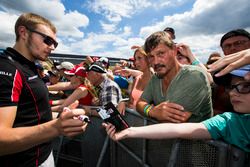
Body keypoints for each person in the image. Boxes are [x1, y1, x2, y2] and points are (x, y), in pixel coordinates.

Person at [0, 13, 88, 167]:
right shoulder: (7, 68)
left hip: (42, 154)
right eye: (47, 40)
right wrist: (56, 127)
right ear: (23, 33)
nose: (52, 47)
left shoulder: (30, 66)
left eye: (55, 43)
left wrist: (62, 118)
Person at [104, 65, 250, 153]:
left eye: (246, 86)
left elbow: (180, 120)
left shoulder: (194, 77)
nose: (233, 93)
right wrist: (129, 131)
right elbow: (177, 129)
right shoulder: (230, 122)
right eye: (231, 87)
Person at [136, 31, 212, 123]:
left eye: (161, 53)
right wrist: (151, 111)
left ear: (174, 51)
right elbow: (140, 103)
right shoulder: (156, 78)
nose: (155, 62)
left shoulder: (194, 76)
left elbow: (170, 122)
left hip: (196, 137)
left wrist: (150, 111)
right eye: (151, 56)